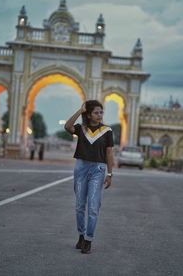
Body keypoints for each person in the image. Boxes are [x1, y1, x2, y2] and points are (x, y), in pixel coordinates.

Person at [65, 100, 114, 254]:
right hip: (81, 168)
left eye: (101, 112)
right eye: (96, 112)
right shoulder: (81, 129)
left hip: (98, 170)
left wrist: (110, 173)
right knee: (80, 206)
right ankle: (81, 234)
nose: (99, 115)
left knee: (93, 207)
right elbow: (67, 126)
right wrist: (80, 111)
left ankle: (88, 239)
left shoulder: (107, 131)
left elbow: (109, 153)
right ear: (89, 114)